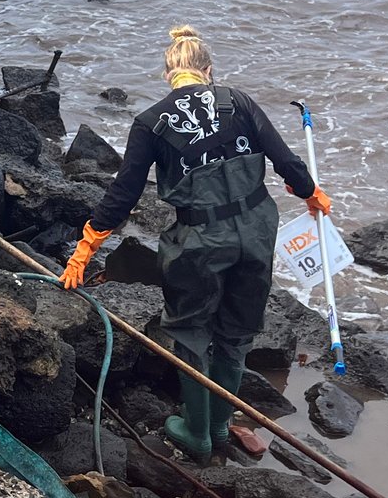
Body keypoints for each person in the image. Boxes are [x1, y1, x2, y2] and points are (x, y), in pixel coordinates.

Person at [61, 26, 330, 460]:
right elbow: (285, 161)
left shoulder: (150, 123)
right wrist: (311, 193)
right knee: (237, 331)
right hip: (257, 229)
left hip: (200, 240)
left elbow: (124, 193)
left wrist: (87, 246)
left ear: (169, 74)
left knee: (190, 330)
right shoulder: (238, 100)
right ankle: (223, 425)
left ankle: (198, 432)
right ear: (208, 70)